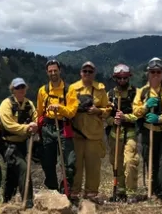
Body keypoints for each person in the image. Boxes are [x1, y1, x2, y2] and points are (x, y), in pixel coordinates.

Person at [133, 57, 162, 204]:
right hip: (149, 131)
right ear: (148, 73)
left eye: (158, 72)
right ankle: (153, 191)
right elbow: (136, 111)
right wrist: (146, 106)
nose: (155, 74)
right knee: (151, 161)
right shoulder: (142, 92)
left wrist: (159, 118)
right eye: (152, 72)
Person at [69, 61, 111, 202]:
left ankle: (91, 194)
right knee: (76, 165)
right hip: (77, 134)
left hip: (94, 134)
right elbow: (67, 108)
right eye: (85, 71)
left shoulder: (100, 89)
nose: (87, 73)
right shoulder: (73, 89)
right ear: (80, 73)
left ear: (94, 73)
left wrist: (97, 110)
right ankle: (74, 193)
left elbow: (108, 109)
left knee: (93, 166)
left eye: (90, 71)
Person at [36, 59, 78, 194]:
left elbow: (72, 112)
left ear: (60, 70)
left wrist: (59, 108)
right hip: (48, 128)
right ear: (47, 73)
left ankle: (65, 188)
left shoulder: (69, 90)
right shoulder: (43, 91)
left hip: (63, 127)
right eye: (50, 71)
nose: (53, 73)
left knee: (68, 162)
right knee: (48, 162)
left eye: (55, 70)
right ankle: (52, 190)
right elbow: (39, 112)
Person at [0, 77, 38, 207]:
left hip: (22, 145)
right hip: (8, 145)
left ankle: (6, 203)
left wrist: (35, 125)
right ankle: (28, 202)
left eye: (22, 87)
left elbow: (35, 118)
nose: (20, 90)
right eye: (17, 88)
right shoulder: (6, 104)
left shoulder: (29, 104)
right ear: (13, 90)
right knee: (23, 169)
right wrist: (27, 128)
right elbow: (9, 125)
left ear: (25, 89)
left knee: (12, 175)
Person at [106, 63, 141, 202]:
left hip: (130, 133)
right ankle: (120, 191)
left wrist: (126, 117)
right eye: (119, 78)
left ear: (128, 78)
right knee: (116, 163)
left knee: (130, 161)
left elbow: (139, 113)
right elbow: (105, 115)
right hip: (115, 134)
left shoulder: (136, 94)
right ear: (115, 78)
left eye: (124, 78)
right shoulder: (110, 95)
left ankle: (131, 192)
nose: (122, 81)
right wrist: (112, 121)